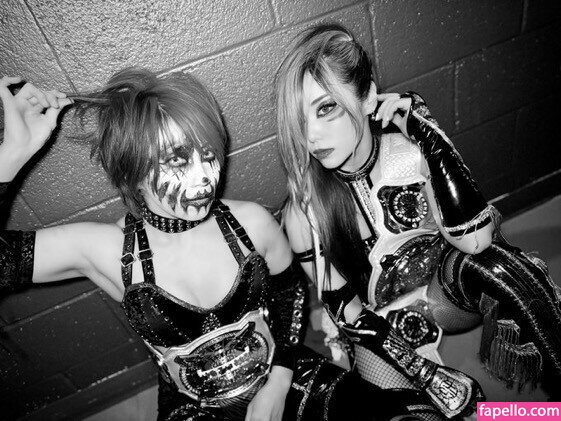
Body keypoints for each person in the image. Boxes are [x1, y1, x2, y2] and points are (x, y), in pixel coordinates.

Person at [0, 69, 469, 421]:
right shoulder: (104, 249)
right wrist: (11, 155)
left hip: (289, 376)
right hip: (194, 409)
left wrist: (279, 381)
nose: (204, 177)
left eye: (208, 154)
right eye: (177, 160)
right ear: (131, 169)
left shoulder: (251, 222)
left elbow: (289, 293)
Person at [275, 22, 561, 402]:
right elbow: (349, 312)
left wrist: (428, 136)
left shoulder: (409, 153)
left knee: (498, 265)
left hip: (446, 294)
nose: (310, 136)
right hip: (378, 325)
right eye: (300, 119)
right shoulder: (303, 213)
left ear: (367, 98)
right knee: (403, 410)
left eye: (326, 108)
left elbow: (477, 242)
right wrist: (424, 373)